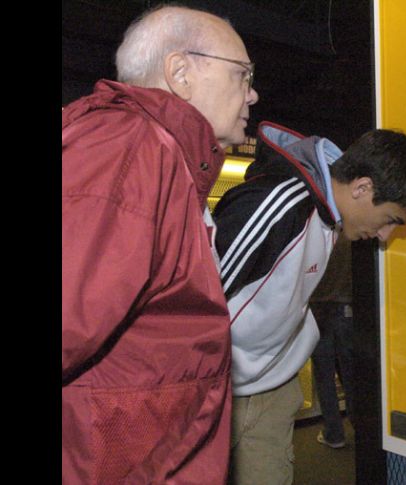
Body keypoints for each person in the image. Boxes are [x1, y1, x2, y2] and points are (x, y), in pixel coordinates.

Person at [62, 5, 258, 484]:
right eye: (243, 73)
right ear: (180, 73)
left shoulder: (156, 153)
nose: (252, 93)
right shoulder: (131, 146)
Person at [214, 121, 406, 485]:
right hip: (222, 393)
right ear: (362, 188)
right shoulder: (281, 205)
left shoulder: (331, 217)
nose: (385, 235)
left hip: (270, 389)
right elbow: (195, 303)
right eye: (390, 220)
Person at [309, 234, 355, 449]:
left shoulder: (316, 234)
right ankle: (362, 427)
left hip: (317, 310)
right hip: (347, 308)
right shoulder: (351, 234)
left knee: (324, 375)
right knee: (351, 374)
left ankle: (334, 433)